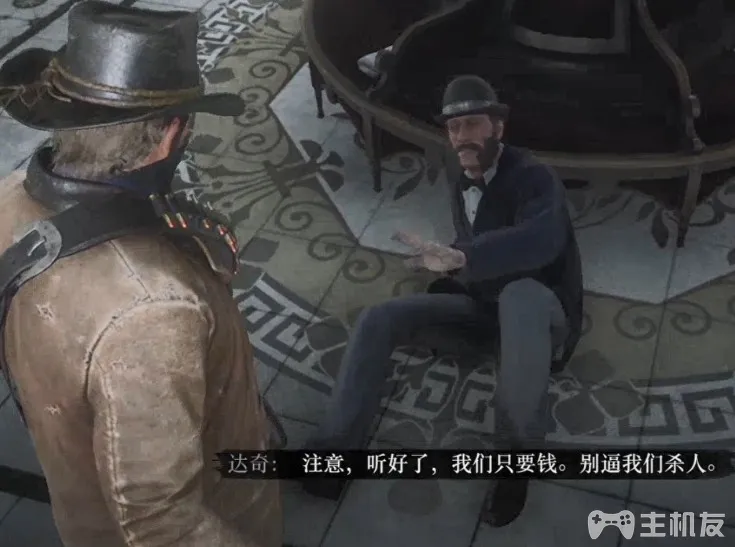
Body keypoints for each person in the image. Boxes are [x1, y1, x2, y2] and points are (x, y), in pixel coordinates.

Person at [0, 2, 282, 546]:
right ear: (171, 133)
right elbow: (162, 522)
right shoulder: (155, 308)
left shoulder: (9, 196)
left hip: (78, 494)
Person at [301, 74, 583, 526]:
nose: (461, 137)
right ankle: (335, 452)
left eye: (472, 124)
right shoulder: (460, 174)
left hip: (540, 315)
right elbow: (469, 244)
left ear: (498, 127)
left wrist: (464, 257)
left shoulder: (534, 177)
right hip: (483, 310)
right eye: (453, 128)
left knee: (519, 295)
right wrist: (452, 265)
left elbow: (541, 241)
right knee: (378, 319)